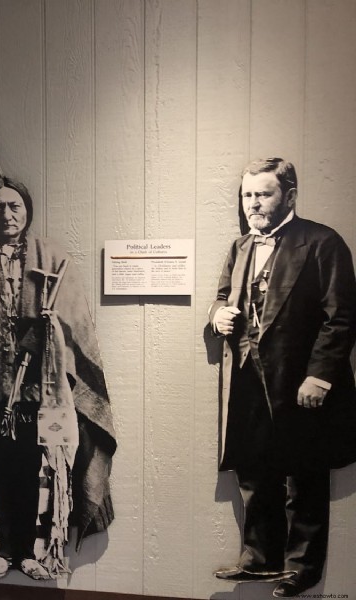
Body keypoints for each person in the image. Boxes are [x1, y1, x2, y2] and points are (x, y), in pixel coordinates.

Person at [0, 177, 116, 580]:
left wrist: (50, 335)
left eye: (15, 206)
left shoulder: (50, 257)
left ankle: (36, 552)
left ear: (27, 211)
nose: (7, 214)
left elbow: (74, 318)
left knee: (40, 469)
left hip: (42, 390)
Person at [210, 158, 356, 597]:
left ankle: (301, 568)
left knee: (304, 473)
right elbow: (220, 297)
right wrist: (217, 315)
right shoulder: (239, 247)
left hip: (301, 381)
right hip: (248, 374)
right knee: (254, 470)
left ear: (289, 196)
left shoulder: (322, 242)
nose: (252, 204)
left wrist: (320, 377)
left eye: (263, 194)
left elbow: (342, 317)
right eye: (247, 195)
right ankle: (260, 558)